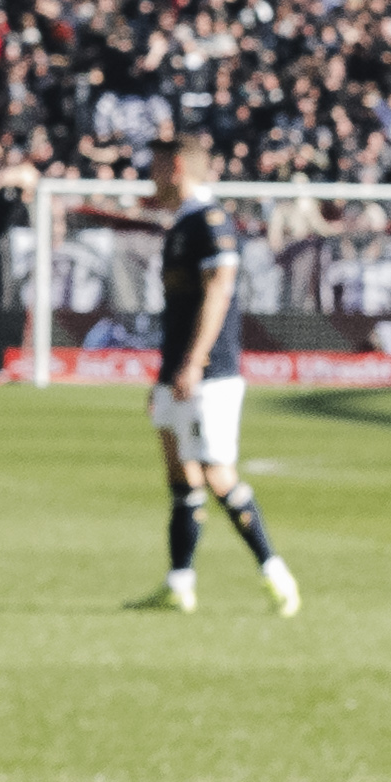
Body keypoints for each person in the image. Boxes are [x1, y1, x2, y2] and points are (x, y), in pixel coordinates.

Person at [144, 130, 304, 616]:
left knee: (217, 475)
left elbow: (219, 291)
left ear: (175, 169)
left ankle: (277, 577)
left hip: (209, 373)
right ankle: (180, 584)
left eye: (153, 168)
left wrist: (194, 362)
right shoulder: (182, 224)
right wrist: (168, 371)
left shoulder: (210, 222)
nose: (147, 178)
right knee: (181, 473)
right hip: (178, 369)